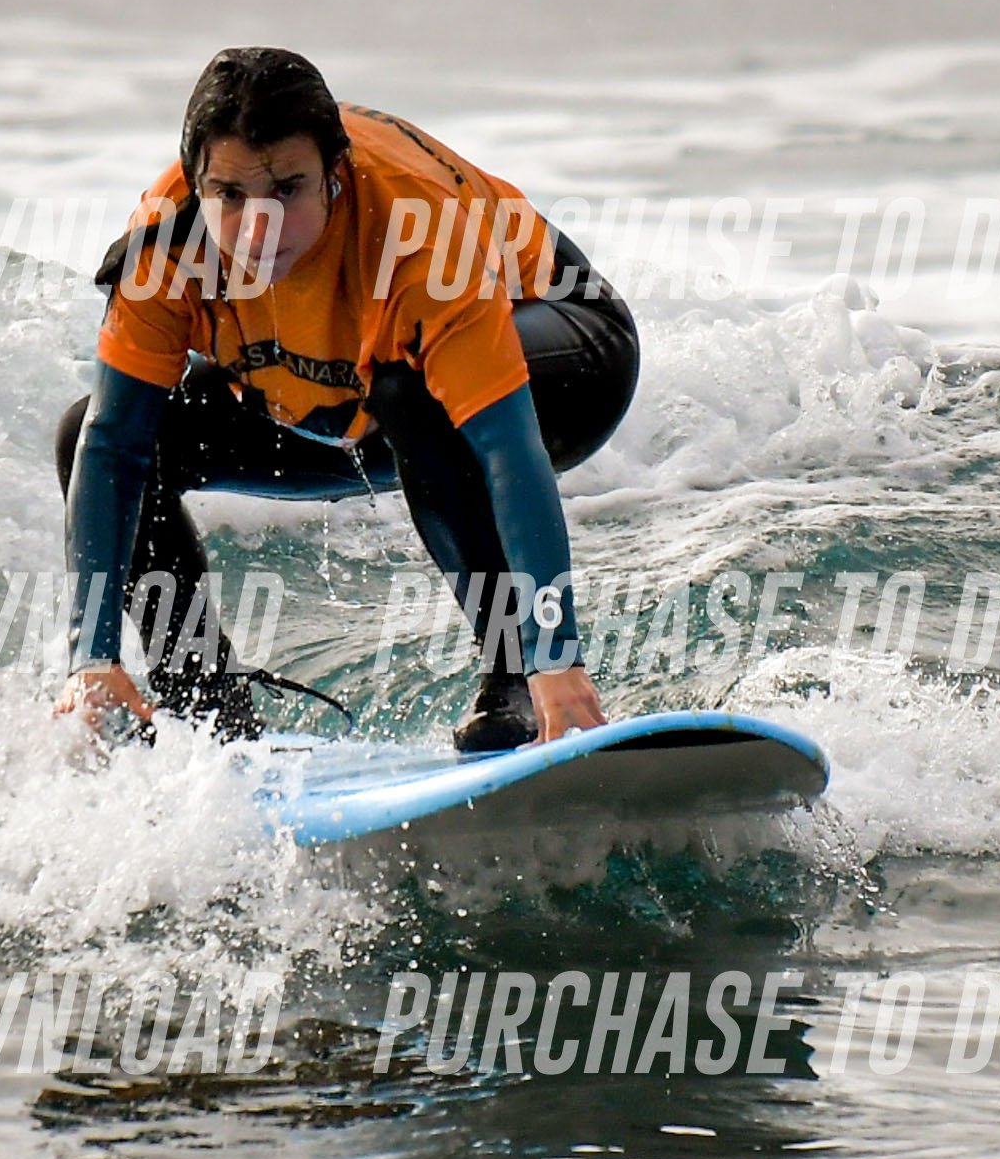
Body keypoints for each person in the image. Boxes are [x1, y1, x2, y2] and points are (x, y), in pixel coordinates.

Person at [54, 48, 638, 752]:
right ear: (195, 183)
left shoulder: (417, 237)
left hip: (567, 351)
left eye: (288, 190)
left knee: (409, 390)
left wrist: (556, 657)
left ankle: (518, 675)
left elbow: (508, 451)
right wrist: (91, 657)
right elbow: (112, 449)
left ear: (336, 173)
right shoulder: (164, 245)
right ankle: (208, 708)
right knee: (87, 432)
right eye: (230, 196)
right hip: (345, 401)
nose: (258, 229)